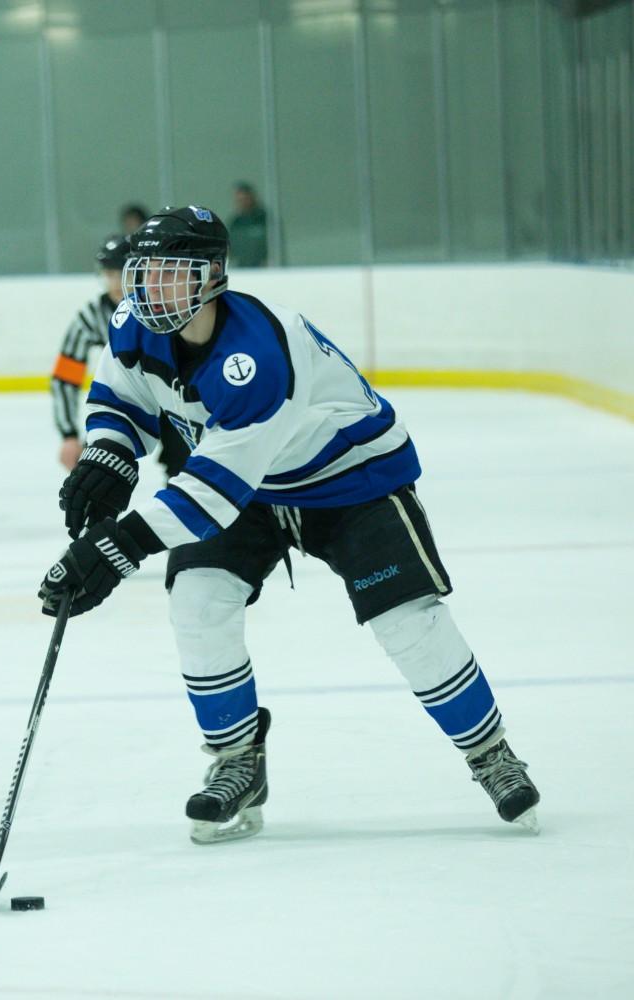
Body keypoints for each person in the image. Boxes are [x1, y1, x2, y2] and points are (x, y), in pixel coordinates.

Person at [39, 205, 540, 845]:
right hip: (248, 488)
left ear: (212, 277)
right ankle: (237, 761)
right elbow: (121, 397)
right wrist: (108, 454)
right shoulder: (133, 326)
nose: (148, 290)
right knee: (196, 602)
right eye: (143, 273)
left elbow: (215, 488)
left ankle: (490, 753)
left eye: (169, 274)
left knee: (406, 619)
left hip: (350, 483)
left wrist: (115, 550)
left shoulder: (258, 356)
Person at [51, 232, 189, 475]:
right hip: (125, 400)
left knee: (186, 469)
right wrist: (68, 434)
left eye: (120, 273)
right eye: (108, 275)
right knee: (97, 469)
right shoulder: (92, 316)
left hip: (173, 401)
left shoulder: (166, 307)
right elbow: (65, 378)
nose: (115, 284)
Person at [227, 182, 268, 267]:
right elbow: (230, 246)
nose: (243, 203)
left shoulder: (265, 219)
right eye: (240, 200)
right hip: (243, 268)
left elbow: (274, 245)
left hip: (263, 268)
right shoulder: (236, 222)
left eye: (245, 199)